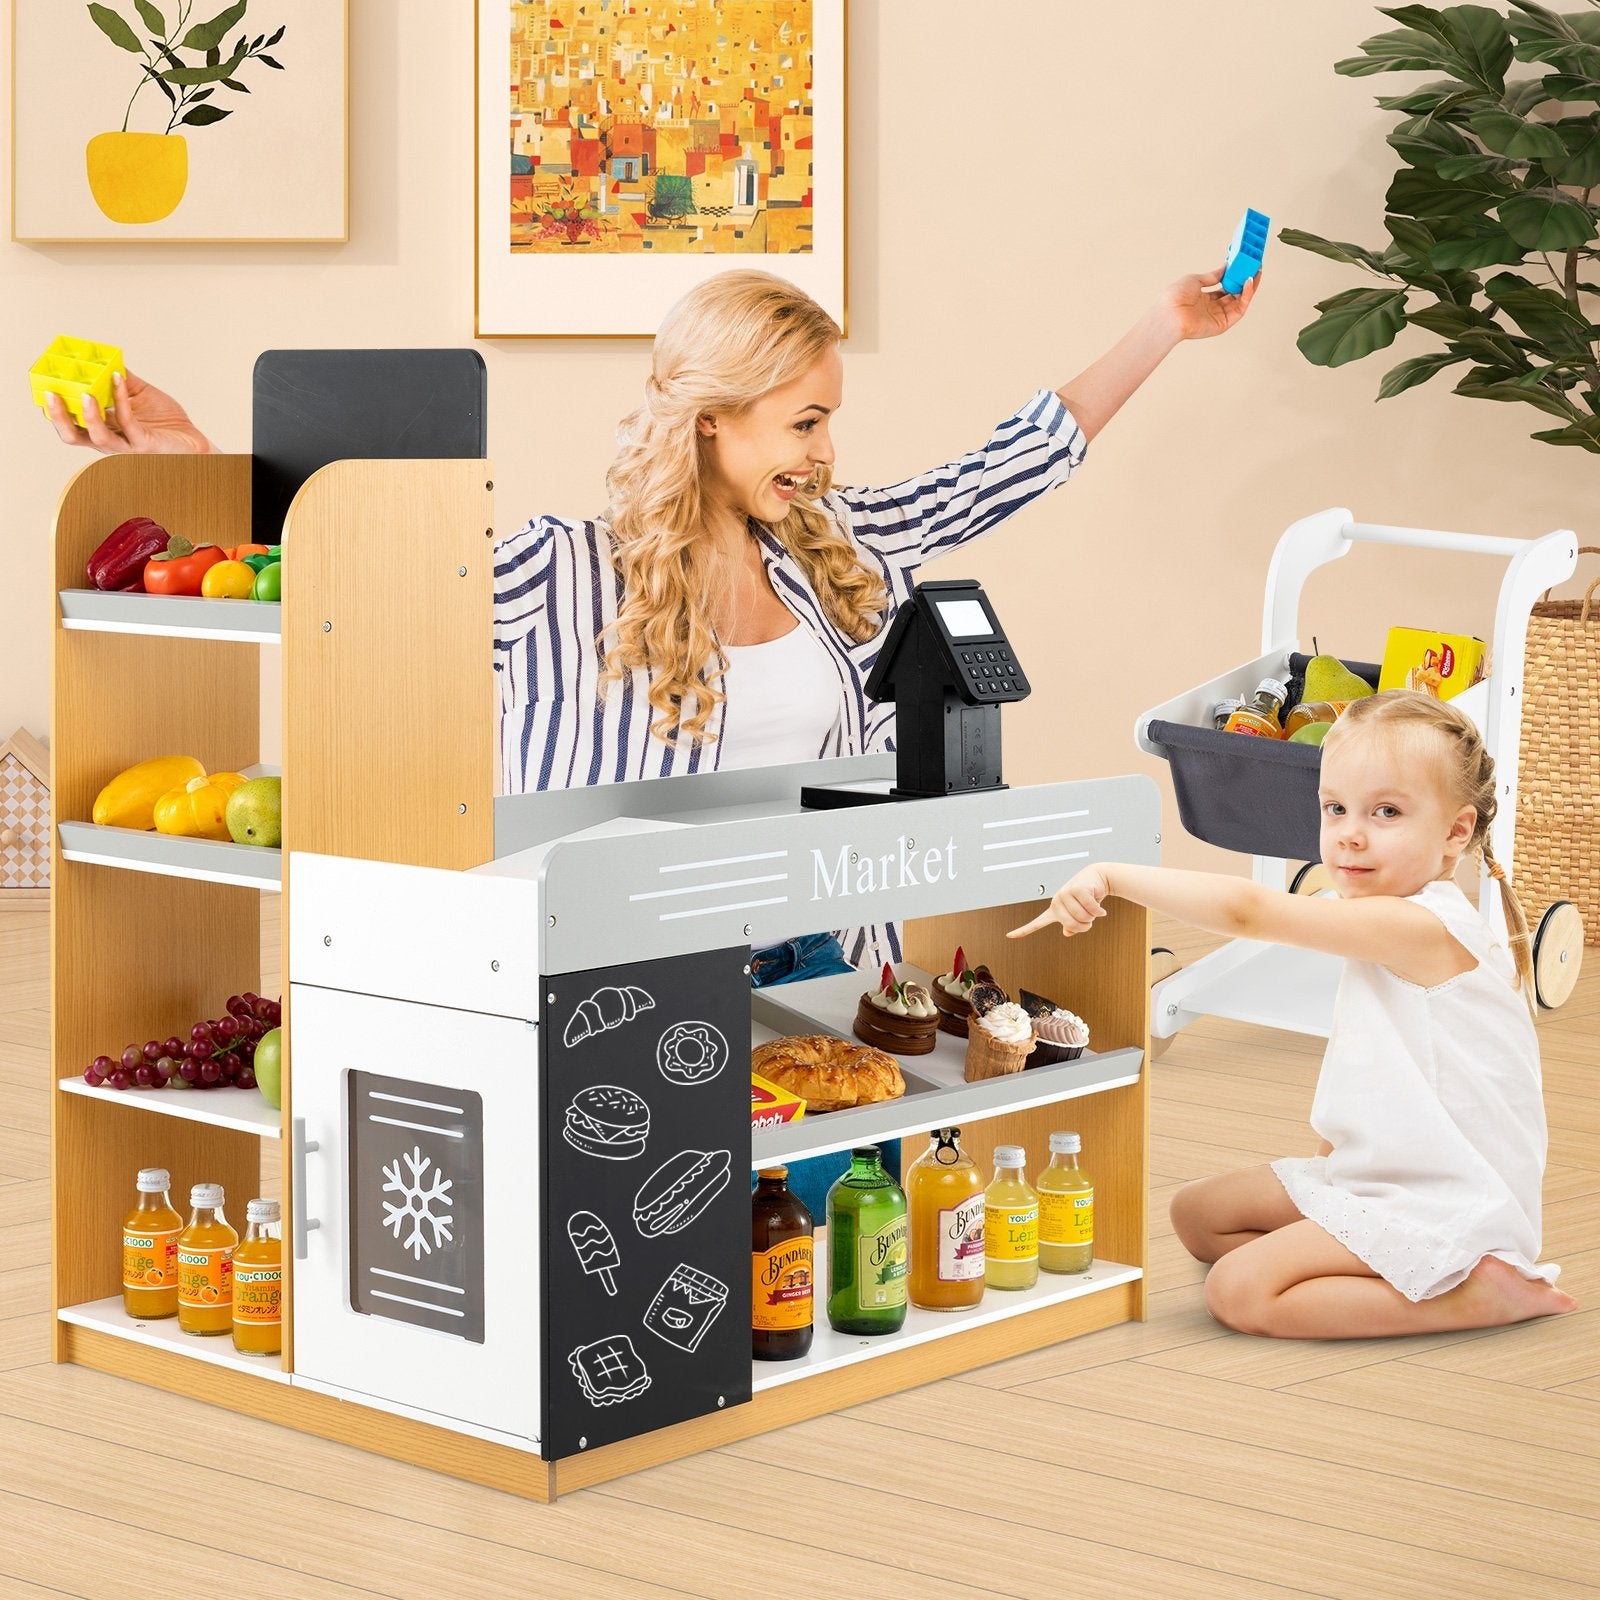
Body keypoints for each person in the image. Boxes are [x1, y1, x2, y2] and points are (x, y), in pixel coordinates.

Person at [48, 264, 1258, 982]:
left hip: (822, 959)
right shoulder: (555, 575)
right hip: (616, 975)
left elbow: (1007, 466)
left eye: (830, 419)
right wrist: (203, 461)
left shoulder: (839, 548)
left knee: (824, 1244)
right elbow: (354, 585)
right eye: (802, 423)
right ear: (711, 420)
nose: (827, 452)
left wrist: (1165, 326)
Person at [1011, 689, 1576, 1339]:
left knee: (1239, 1292)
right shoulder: (1391, 912)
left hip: (1445, 1201)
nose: (1350, 833)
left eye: (1387, 811)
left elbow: (1250, 912)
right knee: (1198, 1215)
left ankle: (1477, 1294)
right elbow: (1390, 1063)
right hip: (1377, 1171)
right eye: (1335, 808)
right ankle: (1375, 1264)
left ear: (1456, 831)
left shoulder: (1420, 924)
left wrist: (1111, 875)